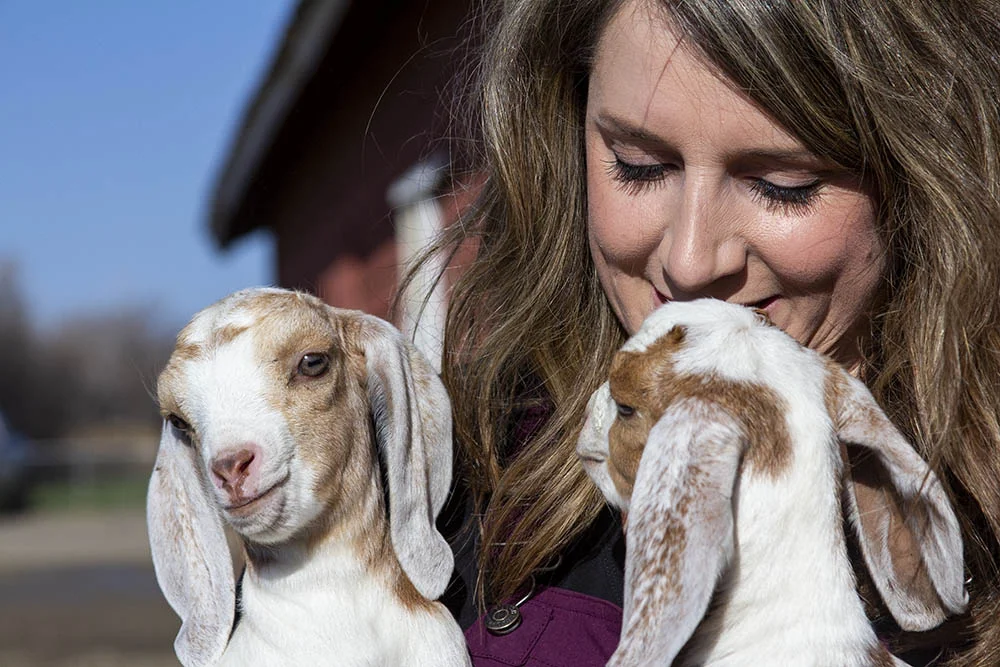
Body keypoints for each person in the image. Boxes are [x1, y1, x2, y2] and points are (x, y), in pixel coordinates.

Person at [400, 0, 1000, 664]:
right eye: (638, 164)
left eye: (784, 184)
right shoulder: (449, 495)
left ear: (920, 172)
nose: (689, 261)